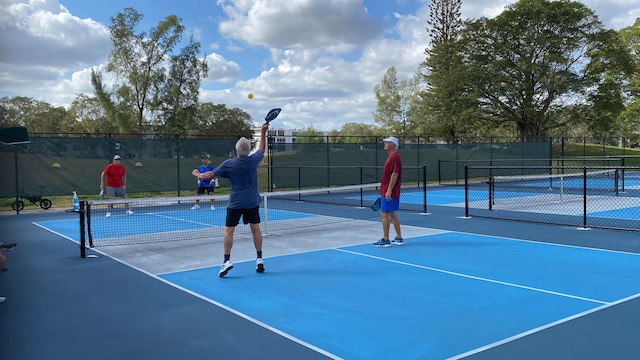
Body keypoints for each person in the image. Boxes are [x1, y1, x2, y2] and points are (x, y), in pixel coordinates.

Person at [195, 123, 269, 277]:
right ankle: (259, 259)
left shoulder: (229, 164)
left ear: (237, 150)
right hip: (252, 202)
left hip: (235, 203)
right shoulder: (253, 160)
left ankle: (226, 261)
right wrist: (263, 132)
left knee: (229, 231)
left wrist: (197, 174)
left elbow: (209, 175)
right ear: (249, 150)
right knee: (255, 229)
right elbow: (262, 148)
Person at [372, 136, 403, 247]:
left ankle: (385, 239)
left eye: (387, 142)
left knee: (384, 214)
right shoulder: (392, 156)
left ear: (393, 145)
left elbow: (395, 174)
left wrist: (389, 191)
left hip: (389, 191)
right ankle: (399, 237)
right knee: (392, 213)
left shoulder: (394, 157)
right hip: (389, 191)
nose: (385, 143)